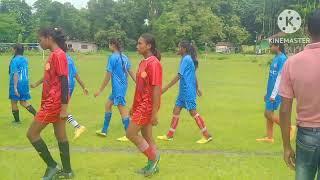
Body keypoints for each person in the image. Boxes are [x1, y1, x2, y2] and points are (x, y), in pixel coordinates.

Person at [26, 27, 74, 179]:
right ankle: (67, 171)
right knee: (61, 136)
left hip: (53, 103)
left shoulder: (58, 55)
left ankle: (52, 166)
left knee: (32, 134)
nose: (39, 43)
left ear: (49, 38)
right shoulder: (55, 55)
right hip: (55, 102)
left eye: (40, 39)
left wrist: (64, 108)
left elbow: (64, 82)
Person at [279, 9, 320, 180]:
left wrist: (287, 146)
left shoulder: (292, 62)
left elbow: (284, 110)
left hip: (307, 135)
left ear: (306, 30)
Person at [157, 41, 212, 144]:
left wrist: (165, 88)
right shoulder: (186, 59)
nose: (177, 49)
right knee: (176, 110)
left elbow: (179, 75)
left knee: (193, 112)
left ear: (184, 49)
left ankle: (206, 135)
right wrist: (197, 88)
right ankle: (169, 135)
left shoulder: (186, 59)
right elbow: (193, 74)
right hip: (183, 91)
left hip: (187, 91)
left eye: (179, 47)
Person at [126, 34, 162, 177]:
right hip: (140, 105)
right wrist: (133, 106)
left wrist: (154, 113)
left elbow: (156, 89)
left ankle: (154, 158)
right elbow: (140, 88)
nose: (137, 46)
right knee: (147, 138)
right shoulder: (143, 63)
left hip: (147, 106)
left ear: (149, 46)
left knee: (130, 133)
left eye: (140, 43)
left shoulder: (154, 63)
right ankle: (151, 166)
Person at [31, 54, 88, 140]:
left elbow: (48, 75)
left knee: (59, 109)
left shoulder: (56, 58)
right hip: (70, 85)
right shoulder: (69, 58)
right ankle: (58, 129)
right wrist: (83, 86)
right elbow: (75, 74)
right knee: (60, 109)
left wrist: (36, 84)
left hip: (61, 86)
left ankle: (77, 126)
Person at [94, 38, 136, 142]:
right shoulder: (125, 57)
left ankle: (129, 134)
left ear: (112, 45)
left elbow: (108, 75)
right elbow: (131, 72)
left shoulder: (112, 57)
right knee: (108, 105)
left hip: (118, 89)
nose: (109, 46)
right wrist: (138, 83)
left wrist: (100, 90)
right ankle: (104, 130)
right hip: (121, 87)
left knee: (123, 110)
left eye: (109, 44)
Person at [256, 42, 296, 143]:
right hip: (271, 90)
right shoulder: (276, 57)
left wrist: (273, 94)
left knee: (268, 113)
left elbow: (280, 77)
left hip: (276, 91)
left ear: (277, 46)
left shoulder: (282, 59)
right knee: (269, 113)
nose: (270, 48)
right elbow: (272, 77)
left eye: (271, 46)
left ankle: (289, 127)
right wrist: (268, 92)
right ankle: (270, 137)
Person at [9, 44, 37, 124]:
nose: (12, 50)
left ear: (15, 50)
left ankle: (17, 121)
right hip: (25, 82)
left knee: (14, 102)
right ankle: (37, 115)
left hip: (17, 83)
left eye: (12, 49)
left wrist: (15, 87)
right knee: (23, 102)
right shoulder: (25, 59)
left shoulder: (14, 60)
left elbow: (15, 74)